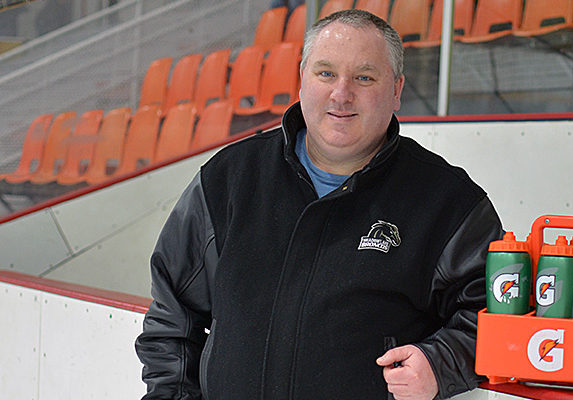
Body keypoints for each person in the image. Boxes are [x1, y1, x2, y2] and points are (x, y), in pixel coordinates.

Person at [135, 9, 503, 400]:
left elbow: (495, 314)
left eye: (364, 77)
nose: (341, 94)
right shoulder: (228, 178)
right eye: (326, 73)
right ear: (302, 80)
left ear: (396, 91)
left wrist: (440, 363)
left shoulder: (448, 201)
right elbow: (172, 322)